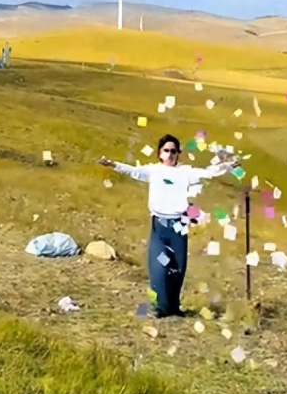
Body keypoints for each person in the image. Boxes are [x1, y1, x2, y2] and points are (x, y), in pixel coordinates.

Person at [99, 133, 237, 318]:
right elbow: (134, 171)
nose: (170, 154)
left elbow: (208, 173)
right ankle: (159, 307)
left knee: (177, 268)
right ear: (159, 153)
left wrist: (228, 166)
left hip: (178, 226)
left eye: (173, 151)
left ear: (178, 153)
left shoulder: (185, 172)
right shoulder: (153, 170)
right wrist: (113, 164)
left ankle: (173, 307)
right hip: (159, 225)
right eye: (166, 150)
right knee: (159, 265)